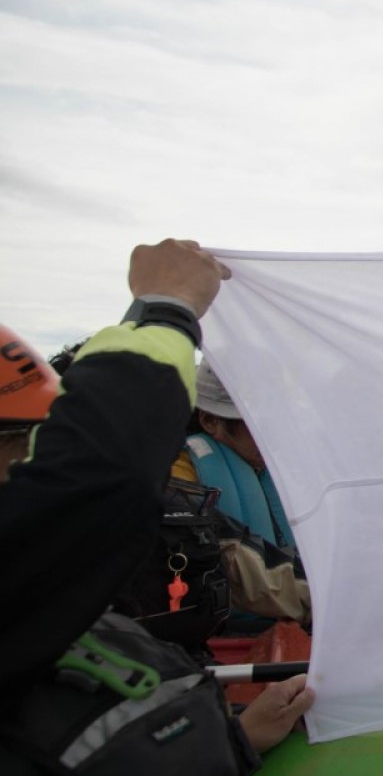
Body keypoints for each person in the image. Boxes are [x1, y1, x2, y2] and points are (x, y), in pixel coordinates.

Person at [0, 239, 314, 773]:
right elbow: (106, 478)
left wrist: (236, 741)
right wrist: (167, 306)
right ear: (209, 422)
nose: (33, 468)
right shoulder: (95, 520)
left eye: (43, 445)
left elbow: (245, 564)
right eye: (19, 450)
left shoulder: (156, 520)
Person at [171, 359, 311, 628]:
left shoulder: (281, 472)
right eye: (260, 424)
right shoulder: (179, 482)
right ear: (210, 421)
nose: (277, 436)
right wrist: (324, 597)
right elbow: (231, 567)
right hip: (223, 633)